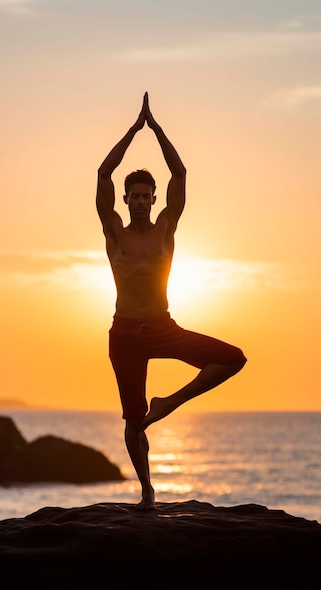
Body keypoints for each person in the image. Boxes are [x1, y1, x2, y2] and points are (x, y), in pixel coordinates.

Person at [96, 93, 247, 510]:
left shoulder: (166, 229)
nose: (141, 202)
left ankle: (171, 403)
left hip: (164, 328)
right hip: (124, 334)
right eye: (135, 196)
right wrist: (133, 129)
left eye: (147, 196)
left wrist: (157, 129)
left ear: (154, 200)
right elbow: (103, 173)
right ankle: (147, 492)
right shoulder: (114, 233)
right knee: (132, 420)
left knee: (233, 358)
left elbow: (179, 172)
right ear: (126, 201)